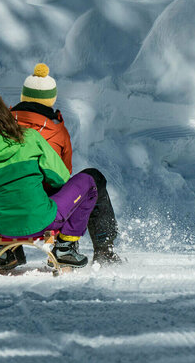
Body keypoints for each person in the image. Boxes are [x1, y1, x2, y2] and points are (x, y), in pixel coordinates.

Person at [0, 85, 96, 270]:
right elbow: (60, 178)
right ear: (2, 107)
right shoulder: (29, 136)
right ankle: (65, 247)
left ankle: (0, 250)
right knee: (88, 182)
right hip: (43, 221)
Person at [11, 63, 120, 264]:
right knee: (93, 180)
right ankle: (103, 250)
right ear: (51, 99)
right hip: (44, 214)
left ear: (23, 96)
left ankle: (11, 252)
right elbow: (62, 175)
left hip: (1, 214)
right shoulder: (56, 131)